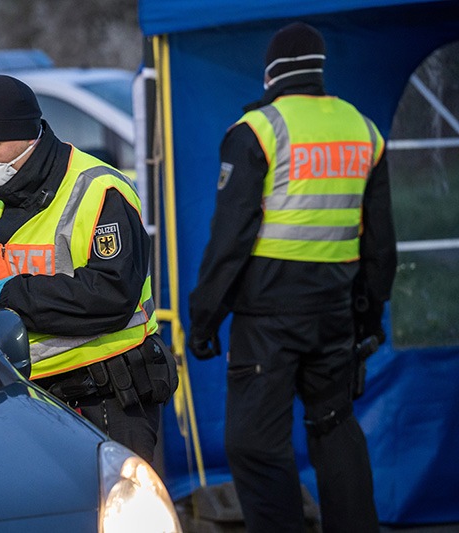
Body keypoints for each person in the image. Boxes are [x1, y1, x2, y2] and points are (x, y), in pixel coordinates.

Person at [187, 22, 396, 533]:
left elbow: (229, 238)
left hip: (268, 319)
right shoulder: (363, 130)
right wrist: (368, 319)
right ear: (319, 69)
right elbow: (381, 244)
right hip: (336, 314)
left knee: (254, 445)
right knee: (333, 424)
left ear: (272, 72)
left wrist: (205, 318)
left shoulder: (258, 130)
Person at [0, 75, 177, 462]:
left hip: (108, 391)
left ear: (28, 135)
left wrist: (9, 296)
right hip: (33, 392)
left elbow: (110, 295)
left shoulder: (98, 191)